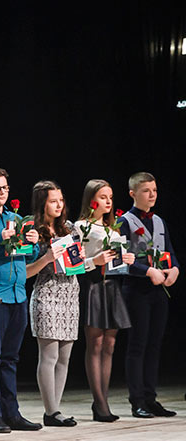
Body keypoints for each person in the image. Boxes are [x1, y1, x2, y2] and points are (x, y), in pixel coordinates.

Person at [0, 167, 42, 433]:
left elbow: (28, 255)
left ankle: (12, 413)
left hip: (17, 294)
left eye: (5, 188)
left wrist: (33, 242)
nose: (2, 192)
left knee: (11, 358)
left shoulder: (16, 218)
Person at [73, 179, 135, 421]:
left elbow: (117, 260)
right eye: (103, 197)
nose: (108, 201)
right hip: (93, 286)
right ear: (92, 200)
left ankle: (103, 400)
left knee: (109, 344)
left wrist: (126, 259)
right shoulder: (81, 227)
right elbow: (76, 263)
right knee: (95, 344)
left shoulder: (113, 229)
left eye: (110, 197)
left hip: (112, 287)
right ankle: (100, 403)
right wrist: (95, 261)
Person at [118, 172, 178, 418]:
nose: (152, 195)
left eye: (154, 190)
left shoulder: (159, 221)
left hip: (158, 290)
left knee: (154, 345)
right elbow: (121, 260)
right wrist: (146, 271)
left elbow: (169, 250)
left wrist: (175, 269)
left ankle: (151, 398)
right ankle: (138, 401)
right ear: (133, 193)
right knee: (138, 345)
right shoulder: (124, 222)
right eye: (146, 191)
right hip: (136, 290)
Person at [25, 181, 80, 426]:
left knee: (64, 357)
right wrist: (46, 258)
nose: (59, 205)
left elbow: (78, 264)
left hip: (70, 293)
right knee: (49, 355)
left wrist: (84, 259)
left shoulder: (70, 228)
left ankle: (55, 411)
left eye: (61, 200)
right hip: (47, 294)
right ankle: (51, 410)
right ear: (42, 203)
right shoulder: (32, 230)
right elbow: (25, 272)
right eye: (53, 201)